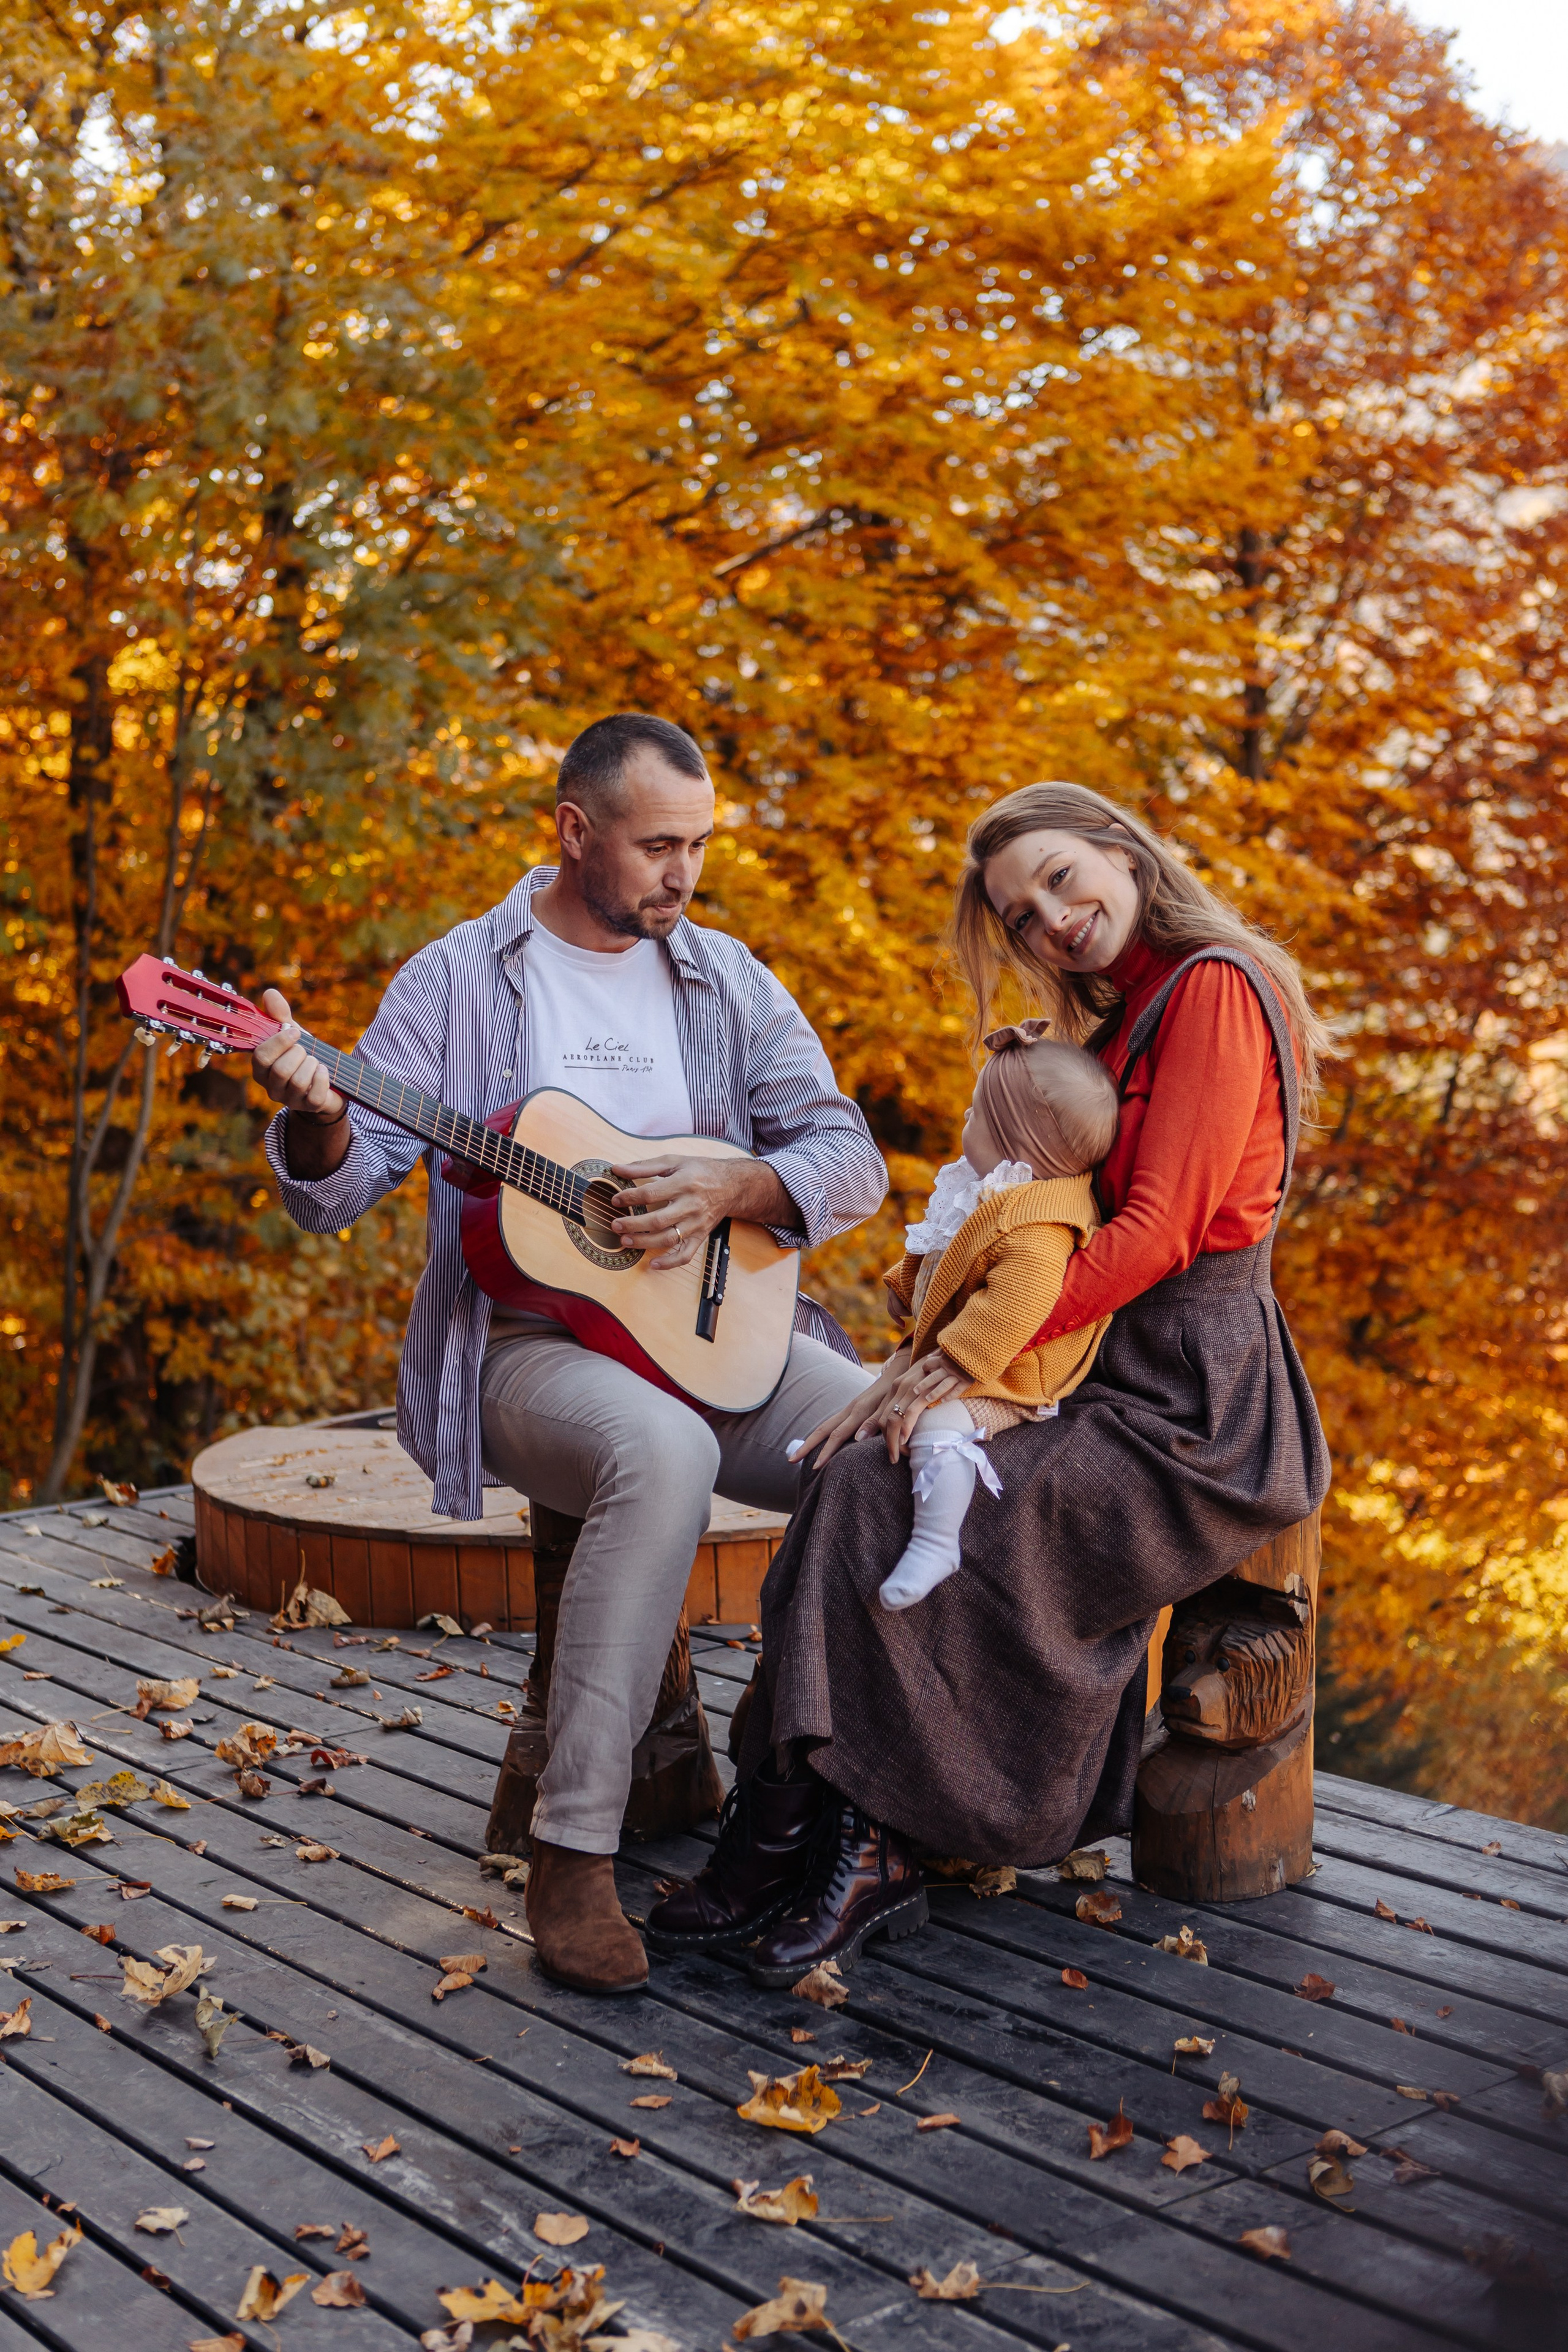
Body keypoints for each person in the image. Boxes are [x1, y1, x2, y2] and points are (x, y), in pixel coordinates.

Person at [646, 780, 1330, 1988]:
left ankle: (868, 1845)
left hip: (1191, 1404)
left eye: (1062, 879)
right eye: (1020, 915)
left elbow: (1161, 1231)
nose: (1050, 920)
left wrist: (952, 1361)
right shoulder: (1120, 1016)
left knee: (889, 1483)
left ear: (1121, 851)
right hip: (1085, 1360)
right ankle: (782, 1824)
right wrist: (946, 1349)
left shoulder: (1212, 988)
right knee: (857, 1471)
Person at [251, 714, 886, 1995]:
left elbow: (848, 1155)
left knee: (890, 1440)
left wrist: (735, 1187)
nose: (682, 873)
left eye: (698, 845)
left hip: (718, 1334)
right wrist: (313, 1115)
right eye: (658, 845)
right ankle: (572, 1853)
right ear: (574, 831)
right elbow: (345, 1180)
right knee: (652, 1453)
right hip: (527, 1352)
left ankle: (827, 1800)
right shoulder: (461, 980)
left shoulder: (727, 978)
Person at [813, 1023, 1117, 1612]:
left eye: (976, 1114)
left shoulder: (1038, 1228)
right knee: (898, 1406)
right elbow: (945, 1258)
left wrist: (959, 1360)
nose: (963, 1121)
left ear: (1016, 1143)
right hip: (969, 1350)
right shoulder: (988, 1195)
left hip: (1013, 1372)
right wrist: (905, 1288)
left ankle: (935, 1541)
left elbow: (1015, 1304)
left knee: (941, 1425)